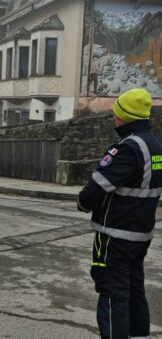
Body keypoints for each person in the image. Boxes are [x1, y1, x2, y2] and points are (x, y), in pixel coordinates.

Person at [77, 88, 162, 339]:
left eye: (117, 113)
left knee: (113, 294)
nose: (114, 118)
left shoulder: (127, 148)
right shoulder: (154, 145)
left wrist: (83, 203)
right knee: (135, 292)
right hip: (140, 234)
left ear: (126, 117)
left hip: (116, 235)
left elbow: (96, 188)